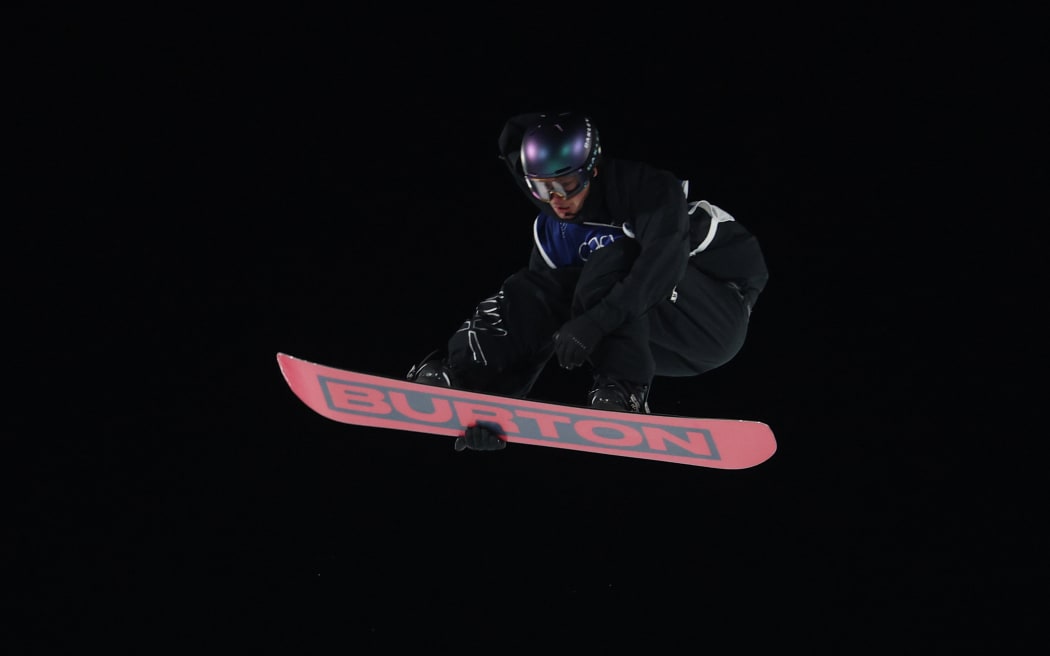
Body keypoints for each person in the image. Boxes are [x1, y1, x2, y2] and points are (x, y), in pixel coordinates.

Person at [407, 111, 768, 451]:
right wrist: (491, 410)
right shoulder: (553, 233)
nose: (558, 200)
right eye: (544, 190)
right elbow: (538, 328)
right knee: (534, 288)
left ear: (592, 169)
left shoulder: (648, 193)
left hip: (713, 318)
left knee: (617, 257)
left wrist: (596, 321)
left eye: (566, 184)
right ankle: (467, 377)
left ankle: (623, 392)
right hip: (645, 336)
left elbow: (662, 267)